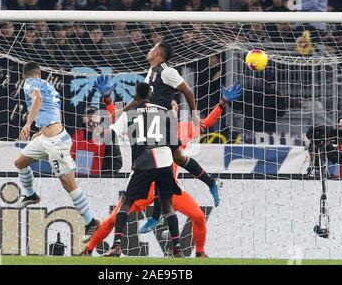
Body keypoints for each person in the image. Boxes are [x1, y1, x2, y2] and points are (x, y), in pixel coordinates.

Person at [79, 76, 242, 258]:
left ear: (177, 109)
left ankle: (200, 253)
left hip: (168, 185)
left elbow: (206, 123)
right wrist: (108, 100)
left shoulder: (183, 127)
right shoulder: (152, 118)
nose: (170, 107)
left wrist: (221, 103)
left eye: (173, 106)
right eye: (168, 105)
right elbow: (120, 118)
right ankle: (88, 250)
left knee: (197, 216)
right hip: (147, 185)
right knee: (112, 219)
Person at [124, 41, 222, 207]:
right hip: (151, 121)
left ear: (158, 54)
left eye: (152, 48)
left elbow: (188, 91)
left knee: (162, 161)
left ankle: (160, 212)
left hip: (162, 120)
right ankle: (210, 182)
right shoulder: (151, 71)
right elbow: (139, 99)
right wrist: (122, 112)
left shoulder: (167, 71)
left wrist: (194, 115)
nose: (149, 50)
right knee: (174, 159)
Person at [13, 62, 100, 242]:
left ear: (25, 76)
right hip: (46, 137)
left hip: (55, 143)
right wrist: (41, 131)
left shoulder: (30, 84)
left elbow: (37, 100)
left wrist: (28, 124)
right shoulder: (49, 85)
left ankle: (90, 222)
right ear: (40, 73)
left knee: (68, 184)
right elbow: (52, 112)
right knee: (20, 163)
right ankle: (30, 194)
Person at [100, 83, 185, 257]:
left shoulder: (130, 113)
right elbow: (174, 143)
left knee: (126, 202)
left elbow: (110, 135)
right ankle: (177, 249)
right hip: (165, 160)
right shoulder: (163, 111)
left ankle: (116, 245)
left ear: (135, 96)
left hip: (144, 161)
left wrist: (103, 132)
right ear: (150, 95)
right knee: (167, 205)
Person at [70, 105, 122, 175]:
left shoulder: (109, 134)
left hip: (97, 180)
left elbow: (116, 164)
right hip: (77, 178)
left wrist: (99, 175)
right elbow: (70, 158)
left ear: (100, 118)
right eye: (88, 115)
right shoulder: (76, 134)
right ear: (83, 118)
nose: (91, 117)